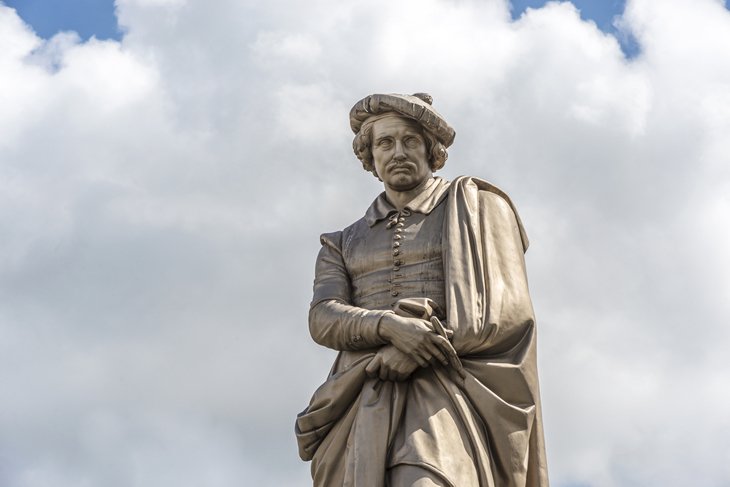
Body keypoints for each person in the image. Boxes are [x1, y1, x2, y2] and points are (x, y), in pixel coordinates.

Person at [296, 93, 548, 487]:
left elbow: (507, 312)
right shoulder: (341, 243)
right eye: (385, 143)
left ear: (432, 152)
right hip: (360, 397)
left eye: (410, 141)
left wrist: (419, 347)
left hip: (450, 393)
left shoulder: (479, 208)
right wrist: (388, 327)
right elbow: (323, 317)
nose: (398, 152)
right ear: (370, 157)